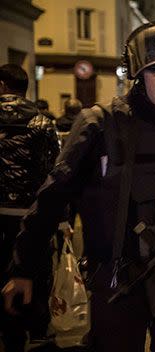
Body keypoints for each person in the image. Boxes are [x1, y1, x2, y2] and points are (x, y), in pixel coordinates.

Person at [2, 20, 155, 352]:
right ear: (138, 73)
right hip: (117, 279)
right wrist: (23, 268)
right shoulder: (101, 123)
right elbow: (52, 196)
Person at [0, 64, 60, 351]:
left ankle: (8, 333)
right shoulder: (42, 121)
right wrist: (60, 218)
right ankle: (36, 332)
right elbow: (55, 171)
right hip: (32, 214)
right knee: (35, 271)